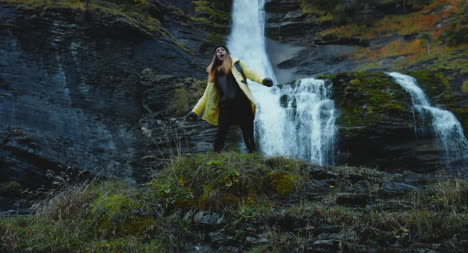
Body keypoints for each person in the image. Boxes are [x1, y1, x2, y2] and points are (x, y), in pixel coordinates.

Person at [186, 45, 273, 153]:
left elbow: (252, 73)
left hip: (243, 104)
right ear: (215, 56)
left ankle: (252, 154)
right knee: (221, 131)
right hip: (226, 107)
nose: (220, 51)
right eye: (217, 51)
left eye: (223, 50)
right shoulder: (214, 74)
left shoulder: (238, 64)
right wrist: (195, 112)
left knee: (248, 132)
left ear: (227, 53)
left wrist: (263, 80)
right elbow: (206, 96)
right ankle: (217, 155)